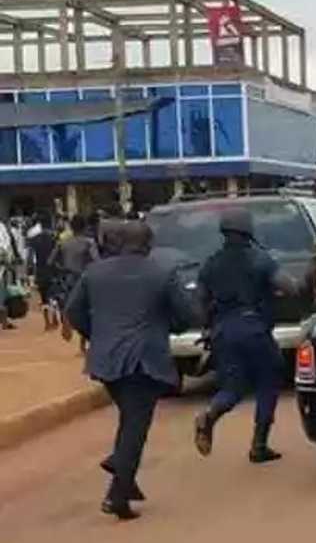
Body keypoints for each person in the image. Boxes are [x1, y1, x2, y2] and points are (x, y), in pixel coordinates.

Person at [65, 221, 193, 520]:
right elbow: (187, 315)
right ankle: (118, 486)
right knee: (136, 424)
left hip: (106, 360)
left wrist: (98, 334)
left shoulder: (94, 272)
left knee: (130, 420)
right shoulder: (161, 273)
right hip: (144, 359)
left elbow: (73, 311)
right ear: (148, 244)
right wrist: (167, 327)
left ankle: (120, 476)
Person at [193, 207, 300, 464]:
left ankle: (211, 413)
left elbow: (198, 303)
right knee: (269, 380)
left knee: (232, 387)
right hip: (254, 329)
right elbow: (289, 287)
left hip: (222, 332)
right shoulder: (260, 259)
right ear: (248, 230)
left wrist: (209, 327)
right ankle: (259, 445)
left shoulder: (211, 263)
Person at [50, 214, 99, 347]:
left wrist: (61, 268)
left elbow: (51, 261)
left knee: (68, 303)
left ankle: (66, 321)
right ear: (85, 227)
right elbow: (96, 260)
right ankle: (83, 343)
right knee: (87, 308)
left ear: (71, 227)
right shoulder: (89, 242)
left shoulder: (63, 242)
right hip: (83, 277)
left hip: (67, 277)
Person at [26, 212, 59, 331]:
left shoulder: (34, 238)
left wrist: (29, 272)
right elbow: (58, 254)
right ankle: (55, 318)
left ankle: (47, 323)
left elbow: (30, 257)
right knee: (54, 295)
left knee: (44, 297)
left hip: (40, 269)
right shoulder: (54, 236)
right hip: (53, 269)